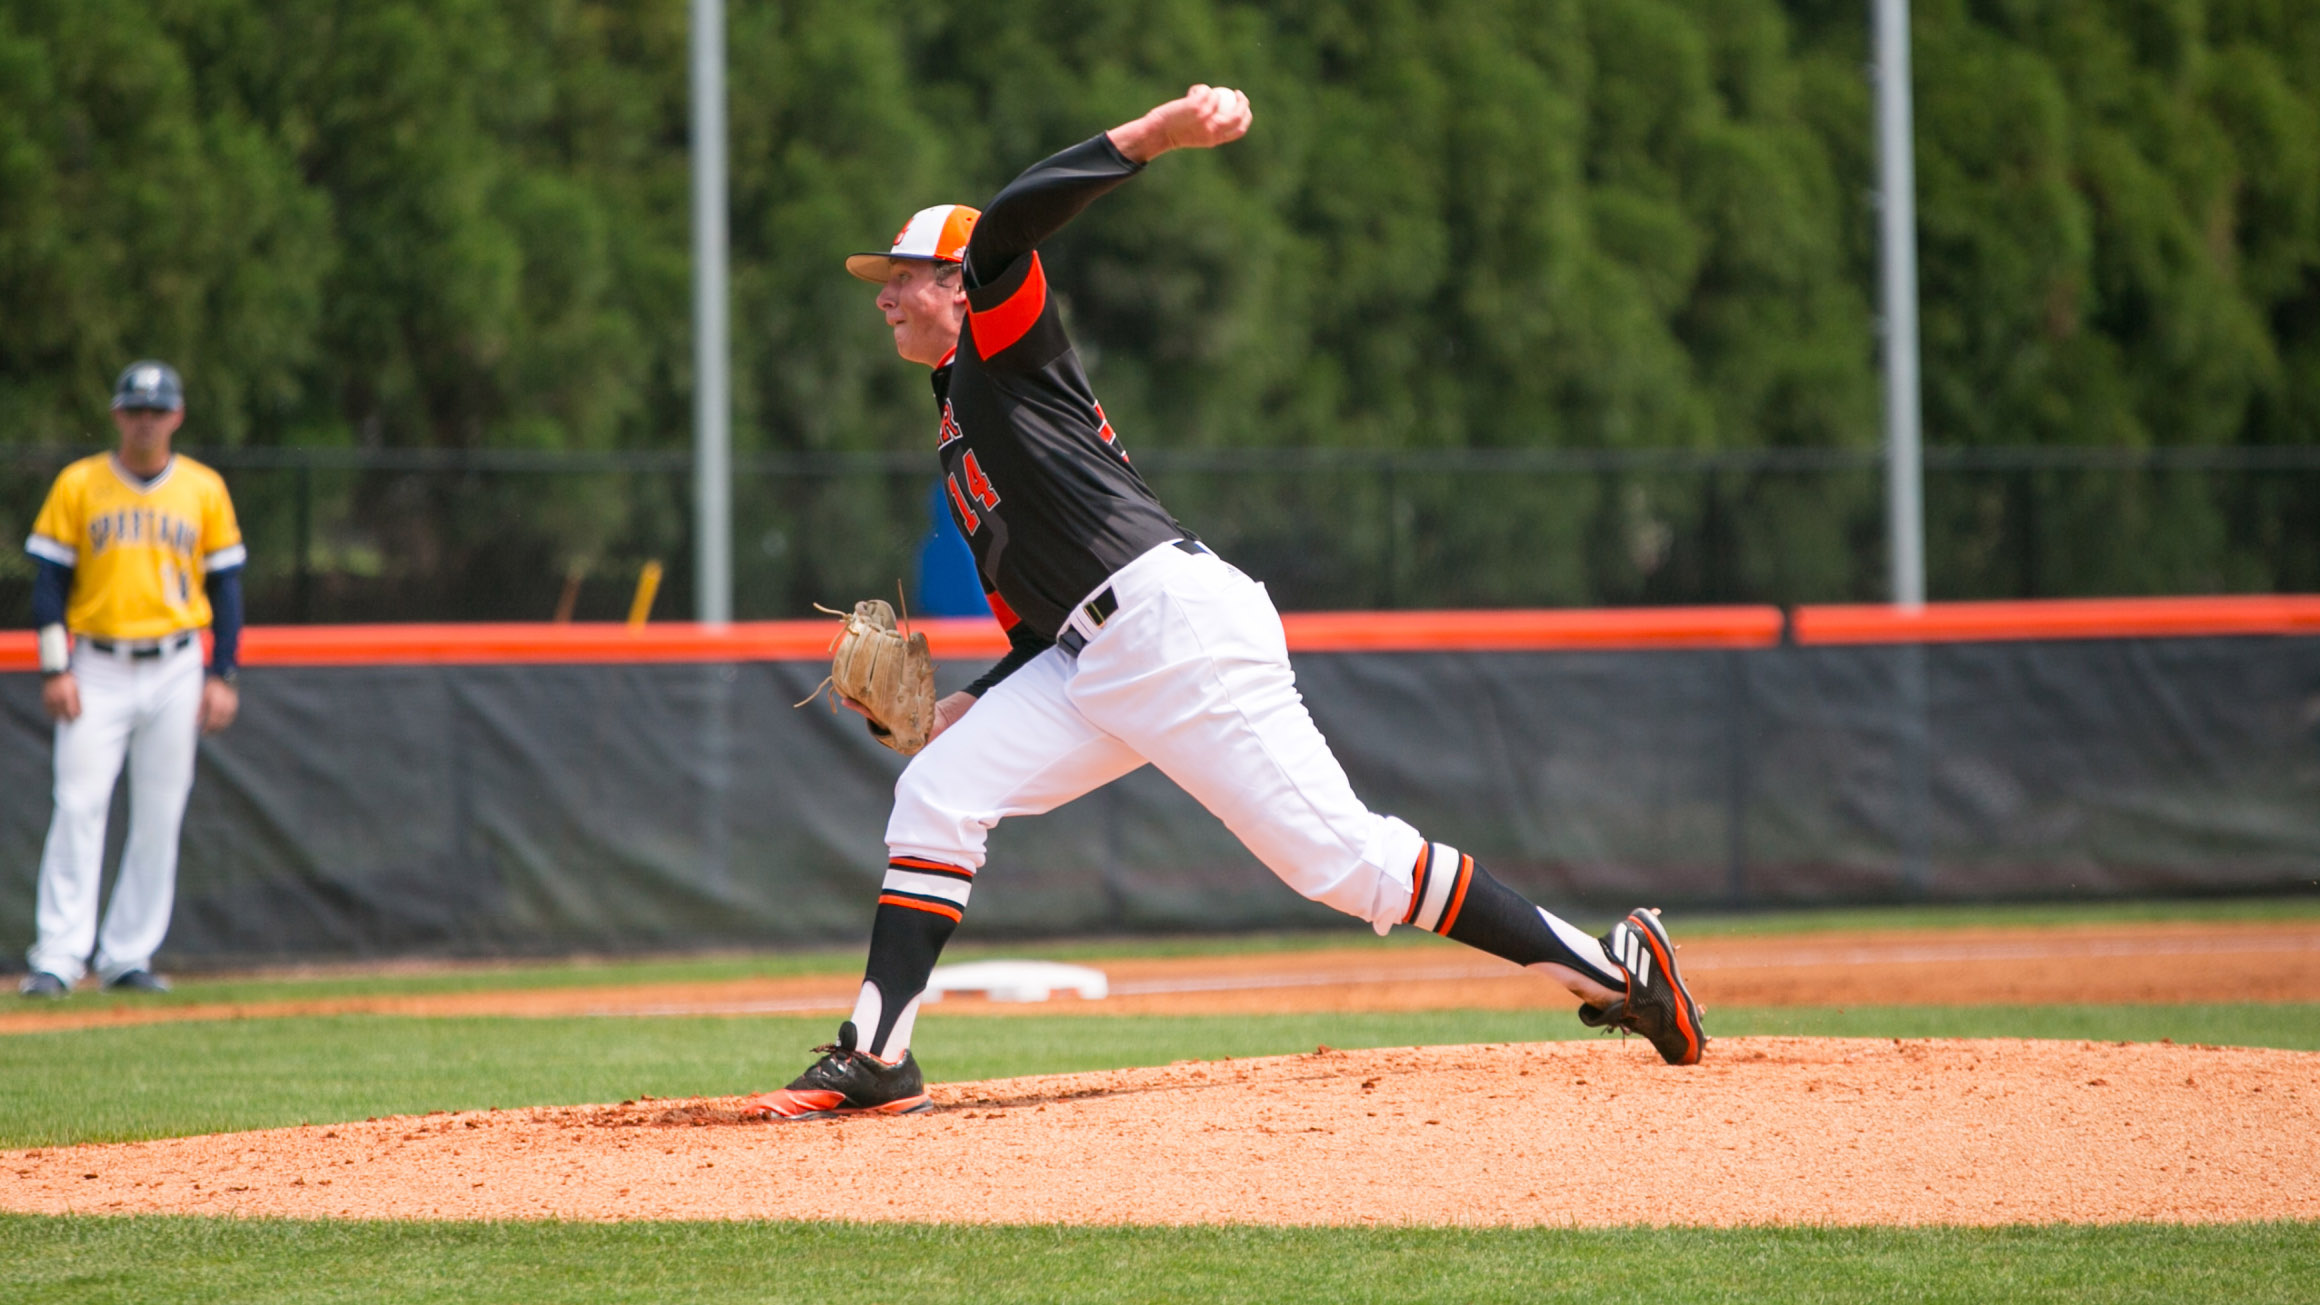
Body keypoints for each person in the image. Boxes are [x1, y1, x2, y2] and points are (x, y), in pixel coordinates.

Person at [747, 87, 1703, 1118]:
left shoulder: (1002, 343)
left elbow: (1015, 215)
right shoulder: (959, 427)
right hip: (1089, 656)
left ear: (958, 284)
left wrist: (1153, 136)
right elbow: (1035, 635)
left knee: (1350, 868)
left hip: (1173, 629)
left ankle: (1616, 971)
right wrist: (945, 716)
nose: (884, 296)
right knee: (937, 791)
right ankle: (878, 1056)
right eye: (881, 283)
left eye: (903, 278)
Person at [18, 360, 245, 997]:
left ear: (176, 416)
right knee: (78, 804)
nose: (145, 421)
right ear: (118, 414)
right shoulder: (80, 483)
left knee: (159, 813)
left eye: (157, 410)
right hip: (96, 663)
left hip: (176, 662)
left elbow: (227, 590)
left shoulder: (202, 488)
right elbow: (48, 585)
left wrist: (223, 672)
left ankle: (127, 953)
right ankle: (59, 956)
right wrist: (56, 664)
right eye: (135, 410)